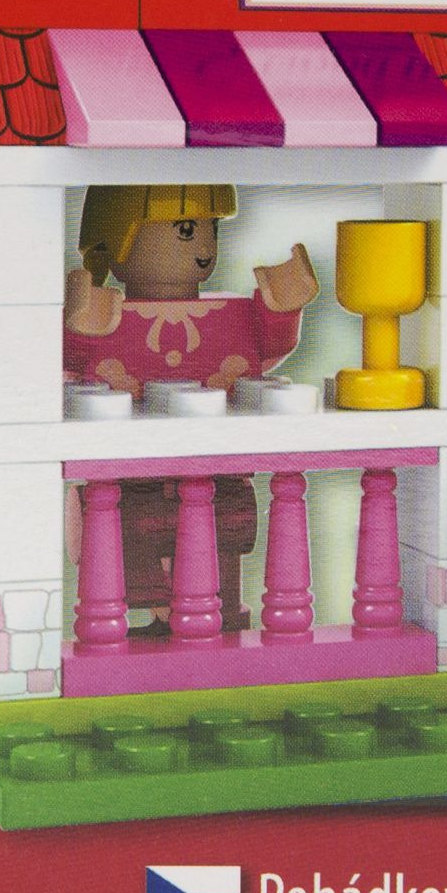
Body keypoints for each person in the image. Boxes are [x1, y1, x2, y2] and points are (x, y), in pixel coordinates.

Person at [62, 185, 319, 623]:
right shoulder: (106, 311)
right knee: (129, 557)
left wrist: (282, 306)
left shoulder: (230, 314)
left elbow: (266, 344)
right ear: (118, 240)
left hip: (218, 476)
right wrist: (80, 320)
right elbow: (70, 355)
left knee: (222, 556)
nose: (204, 247)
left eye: (210, 229)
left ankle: (224, 618)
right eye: (186, 230)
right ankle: (155, 616)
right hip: (130, 481)